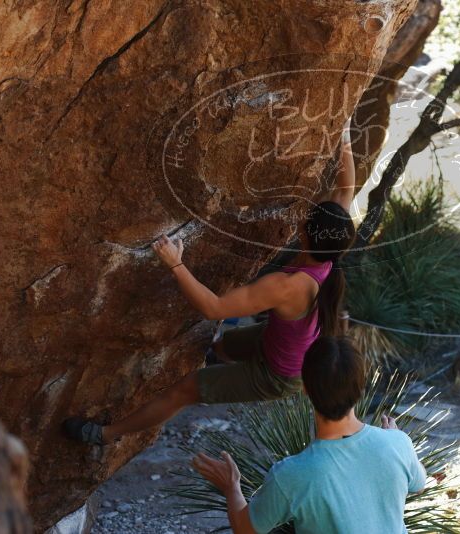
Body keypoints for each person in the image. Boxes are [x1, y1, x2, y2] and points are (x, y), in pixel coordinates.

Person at [63, 125, 357, 446]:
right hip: (282, 343)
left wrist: (176, 264)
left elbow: (212, 308)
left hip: (276, 376)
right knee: (219, 347)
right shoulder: (330, 248)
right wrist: (344, 137)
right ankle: (216, 363)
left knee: (185, 389)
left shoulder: (287, 287)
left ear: (305, 234)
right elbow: (346, 189)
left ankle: (106, 435)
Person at [193, 336, 427, 534]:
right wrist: (396, 439)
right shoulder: (398, 443)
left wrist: (231, 486)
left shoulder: (291, 474)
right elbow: (419, 484)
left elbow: (246, 529)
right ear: (360, 387)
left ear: (304, 387)